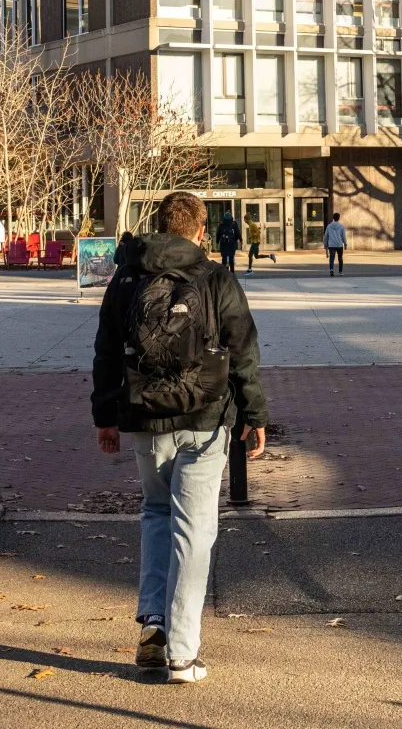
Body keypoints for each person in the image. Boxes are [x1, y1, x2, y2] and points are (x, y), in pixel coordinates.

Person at [92, 190, 267, 685]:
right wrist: (254, 415)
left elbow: (106, 350)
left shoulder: (128, 275)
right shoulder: (216, 278)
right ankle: (183, 652)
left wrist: (104, 416)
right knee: (194, 530)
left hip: (146, 415)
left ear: (159, 225)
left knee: (155, 512)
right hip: (206, 417)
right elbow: (244, 351)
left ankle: (152, 625)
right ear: (197, 231)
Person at [215, 209, 241, 274]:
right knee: (231, 257)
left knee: (224, 258)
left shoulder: (221, 225)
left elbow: (218, 233)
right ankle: (232, 272)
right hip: (231, 243)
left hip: (224, 243)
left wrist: (217, 241)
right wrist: (239, 239)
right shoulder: (234, 224)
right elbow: (237, 233)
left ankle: (224, 271)